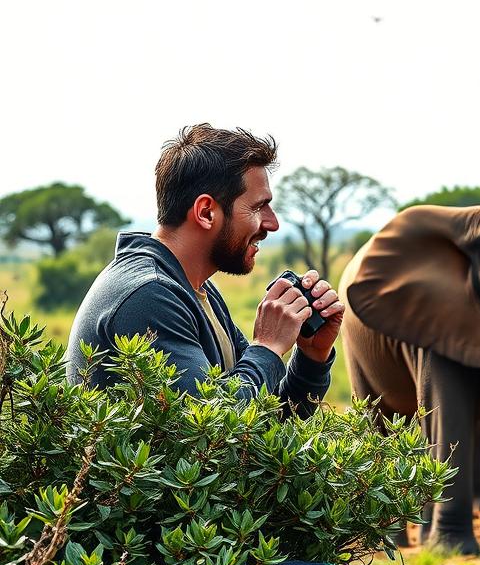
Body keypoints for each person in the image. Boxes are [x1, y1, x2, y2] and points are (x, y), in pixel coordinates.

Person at [66, 125, 343, 415]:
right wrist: (267, 346)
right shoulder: (150, 296)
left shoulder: (195, 288)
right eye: (258, 207)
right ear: (206, 212)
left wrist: (312, 356)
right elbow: (214, 428)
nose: (272, 224)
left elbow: (260, 427)